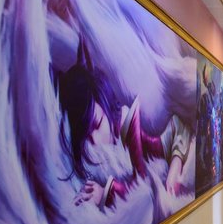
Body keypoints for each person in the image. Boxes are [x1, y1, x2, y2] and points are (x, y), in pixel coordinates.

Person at [58, 41, 193, 209]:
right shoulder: (93, 151)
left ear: (105, 105)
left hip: (169, 154)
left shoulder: (126, 123)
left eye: (97, 125)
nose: (94, 140)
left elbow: (142, 183)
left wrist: (105, 193)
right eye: (85, 136)